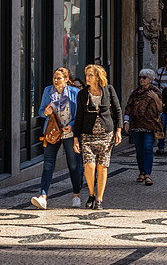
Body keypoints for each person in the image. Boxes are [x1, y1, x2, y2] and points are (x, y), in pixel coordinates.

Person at [31, 67, 83, 210]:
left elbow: (79, 115)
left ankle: (76, 195)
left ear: (66, 79)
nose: (55, 80)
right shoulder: (48, 91)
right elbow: (41, 111)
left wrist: (72, 126)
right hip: (53, 132)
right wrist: (46, 112)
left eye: (59, 78)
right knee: (48, 165)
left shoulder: (75, 93)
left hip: (69, 132)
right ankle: (43, 197)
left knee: (74, 165)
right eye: (54, 77)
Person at [73, 64, 122, 210]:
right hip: (87, 134)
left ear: (98, 77)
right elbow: (79, 117)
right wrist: (76, 138)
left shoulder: (108, 90)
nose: (87, 77)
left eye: (90, 75)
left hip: (106, 134)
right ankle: (91, 194)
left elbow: (117, 110)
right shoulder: (82, 94)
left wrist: (118, 130)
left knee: (102, 167)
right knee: (89, 165)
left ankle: (99, 199)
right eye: (87, 75)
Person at [123, 69, 162, 187]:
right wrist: (126, 121)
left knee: (148, 148)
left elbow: (161, 109)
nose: (141, 79)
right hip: (136, 125)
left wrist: (155, 98)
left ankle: (148, 175)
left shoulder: (156, 91)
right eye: (140, 77)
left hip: (150, 125)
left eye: (144, 77)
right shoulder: (135, 93)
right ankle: (141, 172)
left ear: (151, 79)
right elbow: (128, 107)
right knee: (139, 150)